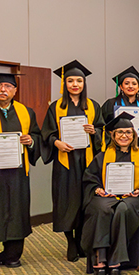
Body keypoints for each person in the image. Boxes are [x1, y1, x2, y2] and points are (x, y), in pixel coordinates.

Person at [0, 72, 41, 271]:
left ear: (15, 90)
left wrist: (31, 141)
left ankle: (13, 255)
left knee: (16, 211)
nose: (3, 90)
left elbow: (36, 134)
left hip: (16, 174)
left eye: (8, 86)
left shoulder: (26, 112)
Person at [41, 61, 104, 262]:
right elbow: (46, 134)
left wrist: (95, 132)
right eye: (70, 81)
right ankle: (70, 242)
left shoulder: (93, 106)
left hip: (87, 162)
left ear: (84, 83)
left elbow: (103, 131)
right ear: (64, 83)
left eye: (79, 80)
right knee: (67, 202)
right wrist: (56, 142)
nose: (75, 84)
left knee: (87, 201)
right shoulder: (56, 107)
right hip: (65, 162)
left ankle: (82, 241)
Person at [81, 113, 139, 275]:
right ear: (112, 135)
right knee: (100, 208)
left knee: (123, 208)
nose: (124, 136)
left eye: (128, 132)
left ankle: (115, 258)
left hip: (132, 198)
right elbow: (90, 178)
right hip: (107, 196)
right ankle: (101, 256)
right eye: (120, 132)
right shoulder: (102, 156)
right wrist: (97, 189)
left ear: (134, 135)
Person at [101, 66, 139, 151]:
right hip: (116, 148)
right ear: (121, 86)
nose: (130, 86)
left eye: (134, 84)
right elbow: (102, 126)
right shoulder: (111, 104)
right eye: (127, 83)